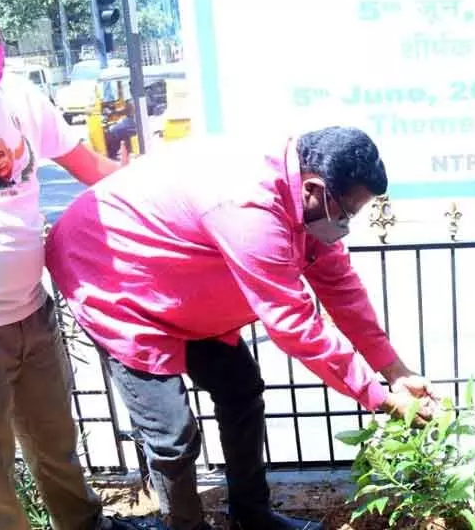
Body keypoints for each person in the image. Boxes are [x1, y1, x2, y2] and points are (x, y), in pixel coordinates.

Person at [45, 126, 438, 530]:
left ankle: (251, 515)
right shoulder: (247, 205)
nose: (347, 224)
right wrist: (378, 397)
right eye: (347, 212)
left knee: (241, 390)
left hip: (180, 277)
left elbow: (340, 287)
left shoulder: (305, 198)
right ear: (314, 189)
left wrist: (397, 372)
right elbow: (294, 325)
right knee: (173, 437)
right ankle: (187, 526)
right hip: (115, 276)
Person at [0, 0, 134, 530]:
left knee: (56, 447)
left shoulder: (18, 94)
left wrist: (162, 184)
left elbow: (91, 170)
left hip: (34, 317)